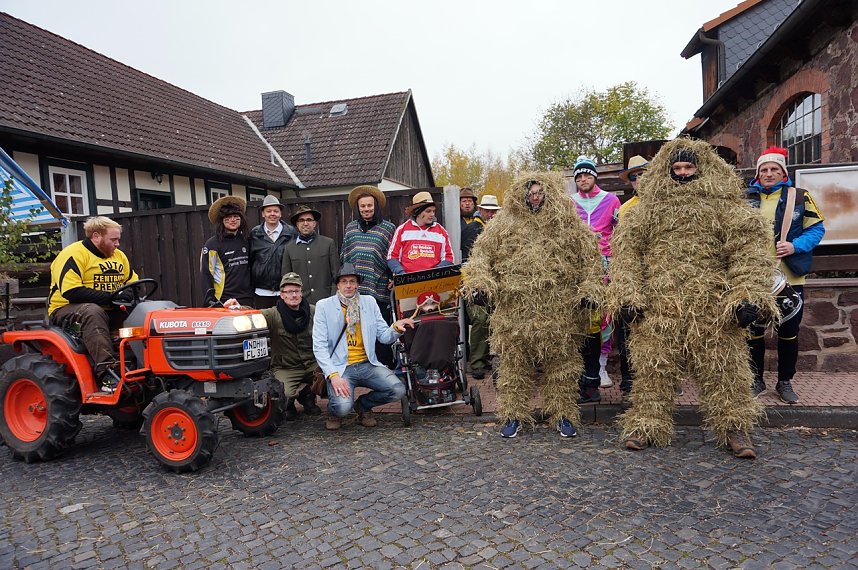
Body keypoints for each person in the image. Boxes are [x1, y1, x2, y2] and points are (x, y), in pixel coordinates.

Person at [607, 138, 777, 459]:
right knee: (654, 371)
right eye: (677, 168)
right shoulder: (646, 211)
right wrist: (629, 295)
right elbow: (628, 256)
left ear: (702, 169)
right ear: (667, 171)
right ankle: (646, 424)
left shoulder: (726, 208)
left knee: (724, 370)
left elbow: (747, 254)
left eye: (689, 167)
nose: (683, 173)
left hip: (712, 308)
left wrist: (747, 295)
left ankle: (734, 427)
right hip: (660, 307)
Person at [462, 172, 605, 439]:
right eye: (531, 193)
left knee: (562, 368)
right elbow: (480, 258)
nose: (535, 198)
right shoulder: (503, 225)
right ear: (522, 195)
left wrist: (590, 291)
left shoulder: (568, 225)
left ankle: (562, 414)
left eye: (540, 193)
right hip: (515, 314)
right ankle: (513, 415)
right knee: (514, 368)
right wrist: (479, 284)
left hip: (559, 314)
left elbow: (591, 262)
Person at [746, 146, 825, 404]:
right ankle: (756, 380)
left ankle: (785, 381)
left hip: (789, 277)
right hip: (753, 278)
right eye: (764, 170)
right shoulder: (745, 199)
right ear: (758, 174)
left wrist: (794, 246)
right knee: (753, 331)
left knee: (788, 331)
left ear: (783, 173)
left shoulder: (800, 196)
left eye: (774, 169)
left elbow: (817, 229)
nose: (769, 174)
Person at [312, 264, 414, 430]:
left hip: (367, 364)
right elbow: (319, 346)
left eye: (352, 281)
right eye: (344, 281)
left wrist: (396, 327)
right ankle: (334, 411)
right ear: (337, 285)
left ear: (358, 284)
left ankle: (363, 405)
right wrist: (333, 375)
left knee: (398, 390)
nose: (348, 285)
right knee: (342, 407)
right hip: (340, 367)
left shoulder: (369, 302)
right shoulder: (324, 306)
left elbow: (384, 336)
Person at [47, 216, 139, 391]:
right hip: (66, 309)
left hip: (108, 308)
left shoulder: (119, 256)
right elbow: (71, 292)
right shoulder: (73, 255)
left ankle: (143, 366)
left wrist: (127, 294)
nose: (117, 244)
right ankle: (108, 373)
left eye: (118, 239)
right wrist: (111, 297)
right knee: (92, 312)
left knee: (144, 313)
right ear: (96, 236)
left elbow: (132, 282)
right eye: (113, 239)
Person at [570, 156, 621, 398]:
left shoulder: (611, 200)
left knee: (606, 316)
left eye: (587, 175)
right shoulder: (570, 202)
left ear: (594, 176)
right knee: (582, 316)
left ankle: (601, 366)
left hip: (605, 264)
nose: (583, 179)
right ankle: (582, 368)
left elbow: (620, 232)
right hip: (579, 266)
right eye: (579, 176)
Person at [340, 185, 397, 365]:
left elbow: (393, 256)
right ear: (358, 208)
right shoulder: (351, 228)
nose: (366, 209)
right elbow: (345, 257)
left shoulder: (388, 228)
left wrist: (393, 278)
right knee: (356, 332)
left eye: (369, 205)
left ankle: (384, 368)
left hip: (378, 290)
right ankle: (358, 366)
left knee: (379, 332)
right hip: (354, 292)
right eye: (362, 206)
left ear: (376, 206)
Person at [256, 272, 320, 419]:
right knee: (283, 393)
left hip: (311, 364)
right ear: (282, 295)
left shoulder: (314, 311)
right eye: (289, 291)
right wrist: (237, 307)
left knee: (331, 383)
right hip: (286, 367)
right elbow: (253, 314)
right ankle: (290, 403)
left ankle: (308, 395)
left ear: (301, 293)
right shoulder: (273, 314)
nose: (294, 295)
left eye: (297, 291)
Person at [614, 155, 649, 398]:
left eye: (643, 174)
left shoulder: (666, 203)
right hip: (634, 274)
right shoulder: (625, 209)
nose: (640, 180)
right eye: (635, 177)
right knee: (628, 327)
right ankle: (628, 377)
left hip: (661, 277)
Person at [461, 194, 501, 379]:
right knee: (480, 318)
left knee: (492, 319)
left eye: (493, 211)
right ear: (481, 210)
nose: (491, 214)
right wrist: (473, 285)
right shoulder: (472, 229)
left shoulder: (497, 229)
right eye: (487, 211)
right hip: (475, 283)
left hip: (494, 282)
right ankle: (476, 362)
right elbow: (466, 259)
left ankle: (485, 358)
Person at [200, 195, 253, 307]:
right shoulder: (212, 244)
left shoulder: (247, 240)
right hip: (223, 299)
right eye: (228, 217)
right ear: (221, 220)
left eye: (236, 216)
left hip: (247, 298)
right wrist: (211, 301)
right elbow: (206, 274)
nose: (232, 220)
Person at [282, 204, 340, 305]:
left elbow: (336, 274)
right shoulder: (289, 248)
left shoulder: (328, 243)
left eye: (309, 220)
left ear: (314, 223)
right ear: (297, 224)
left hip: (326, 300)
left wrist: (333, 298)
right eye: (301, 220)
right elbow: (286, 279)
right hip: (301, 303)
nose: (305, 223)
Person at [387, 191, 454, 275]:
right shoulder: (402, 230)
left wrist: (435, 273)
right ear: (417, 212)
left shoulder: (441, 231)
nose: (432, 214)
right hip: (408, 280)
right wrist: (401, 274)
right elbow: (392, 256)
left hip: (434, 280)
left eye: (433, 211)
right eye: (428, 211)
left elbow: (449, 257)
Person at [248, 195, 296, 309]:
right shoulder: (255, 234)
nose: (272, 214)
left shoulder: (291, 233)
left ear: (280, 214)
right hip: (261, 292)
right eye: (269, 211)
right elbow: (250, 261)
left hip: (285, 291)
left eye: (276, 211)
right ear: (263, 214)